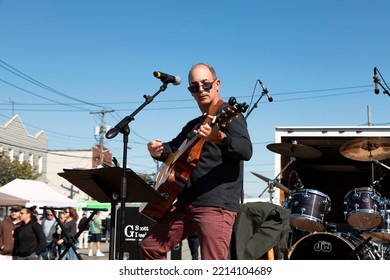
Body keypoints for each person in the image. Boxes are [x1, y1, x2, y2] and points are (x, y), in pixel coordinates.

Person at [140, 63, 253, 260]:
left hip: (215, 204)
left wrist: (220, 138)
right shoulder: (193, 124)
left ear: (217, 84)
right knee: (149, 247)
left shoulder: (230, 115)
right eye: (195, 86)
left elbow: (246, 150)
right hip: (185, 202)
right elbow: (173, 149)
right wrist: (157, 150)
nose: (201, 89)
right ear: (190, 91)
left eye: (206, 84)